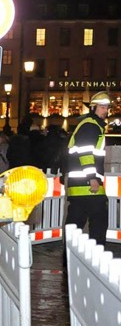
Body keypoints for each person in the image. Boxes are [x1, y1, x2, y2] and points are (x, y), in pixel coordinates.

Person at [65, 91, 110, 246]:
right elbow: (85, 153)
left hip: (81, 186)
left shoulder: (89, 125)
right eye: (102, 107)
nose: (106, 110)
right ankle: (96, 255)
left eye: (107, 107)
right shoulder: (91, 126)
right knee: (98, 222)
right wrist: (92, 178)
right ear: (93, 108)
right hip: (88, 185)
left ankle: (70, 255)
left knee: (75, 224)